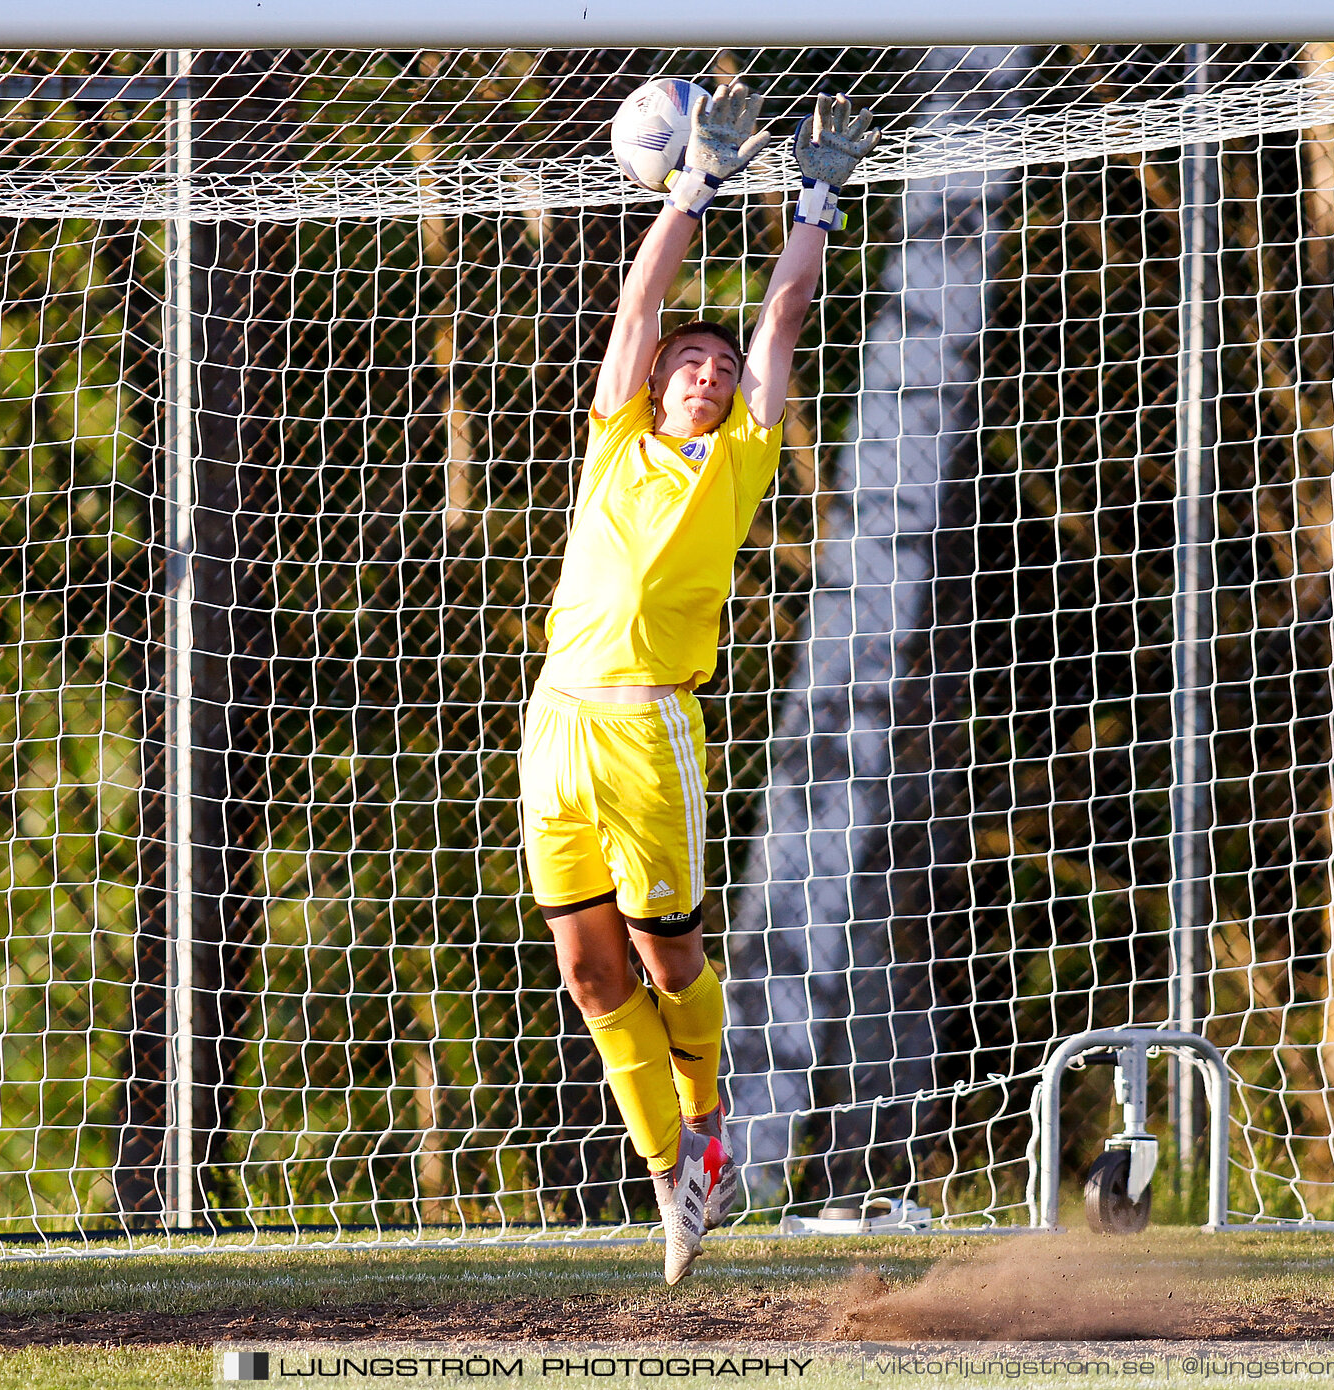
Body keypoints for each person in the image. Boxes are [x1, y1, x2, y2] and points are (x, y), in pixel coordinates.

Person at [519, 81, 878, 1284]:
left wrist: (812, 206)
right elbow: (639, 301)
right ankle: (678, 1173)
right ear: (657, 382)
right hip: (556, 723)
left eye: (722, 368)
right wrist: (694, 187)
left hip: (647, 729)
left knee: (667, 958)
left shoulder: (737, 463)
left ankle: (706, 1123)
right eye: (693, 362)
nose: (710, 372)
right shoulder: (617, 435)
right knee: (586, 967)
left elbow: (779, 323)